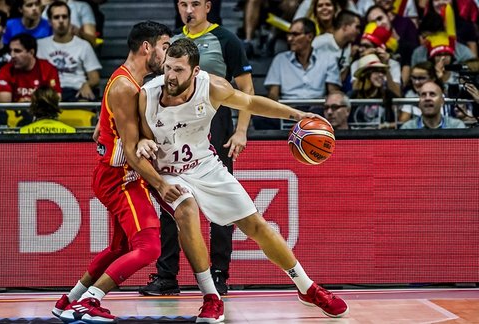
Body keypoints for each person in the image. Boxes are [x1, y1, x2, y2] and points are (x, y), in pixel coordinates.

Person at [133, 38, 349, 322]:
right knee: (186, 210)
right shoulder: (148, 94)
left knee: (256, 225)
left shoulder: (213, 87)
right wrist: (142, 144)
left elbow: (250, 102)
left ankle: (306, 287)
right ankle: (211, 296)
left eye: (179, 70)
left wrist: (296, 114)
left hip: (205, 165)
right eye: (168, 68)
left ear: (195, 71)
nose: (171, 76)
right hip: (168, 171)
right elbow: (139, 135)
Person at [51, 21, 173, 323]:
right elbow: (130, 151)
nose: (168, 56)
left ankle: (69, 300)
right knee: (149, 248)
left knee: (120, 247)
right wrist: (160, 183)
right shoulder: (124, 86)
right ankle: (91, 302)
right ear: (147, 47)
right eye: (165, 47)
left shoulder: (126, 81)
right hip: (120, 179)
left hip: (117, 174)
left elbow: (99, 132)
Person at [139, 0, 254, 297]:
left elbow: (246, 90)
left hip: (215, 123)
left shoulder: (226, 39)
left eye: (195, 4)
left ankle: (218, 273)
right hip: (174, 126)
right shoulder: (173, 43)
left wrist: (241, 131)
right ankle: (167, 275)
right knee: (170, 200)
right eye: (183, 4)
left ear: (207, 6)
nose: (189, 10)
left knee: (221, 206)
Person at [259, 17, 340, 130]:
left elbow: (333, 92)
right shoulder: (280, 59)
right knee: (260, 117)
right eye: (288, 35)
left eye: (295, 34)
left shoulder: (327, 59)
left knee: (327, 113)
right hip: (288, 109)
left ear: (310, 37)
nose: (289, 38)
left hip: (317, 109)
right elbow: (273, 95)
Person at [38, 0, 101, 102]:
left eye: (64, 16)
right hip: (49, 92)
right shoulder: (40, 45)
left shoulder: (83, 46)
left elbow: (95, 78)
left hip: (76, 91)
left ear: (70, 19)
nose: (61, 20)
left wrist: (87, 84)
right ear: (49, 21)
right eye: (56, 17)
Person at [0, 33, 61, 127]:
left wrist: (30, 103)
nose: (12, 55)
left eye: (17, 51)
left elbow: (57, 98)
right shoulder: (5, 70)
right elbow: (4, 103)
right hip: (14, 118)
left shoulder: (48, 68)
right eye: (10, 51)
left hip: (43, 117)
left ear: (31, 52)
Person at [401, 81, 467, 129]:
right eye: (423, 95)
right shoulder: (408, 128)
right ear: (419, 103)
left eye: (432, 94)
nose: (427, 98)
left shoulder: (456, 127)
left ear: (442, 101)